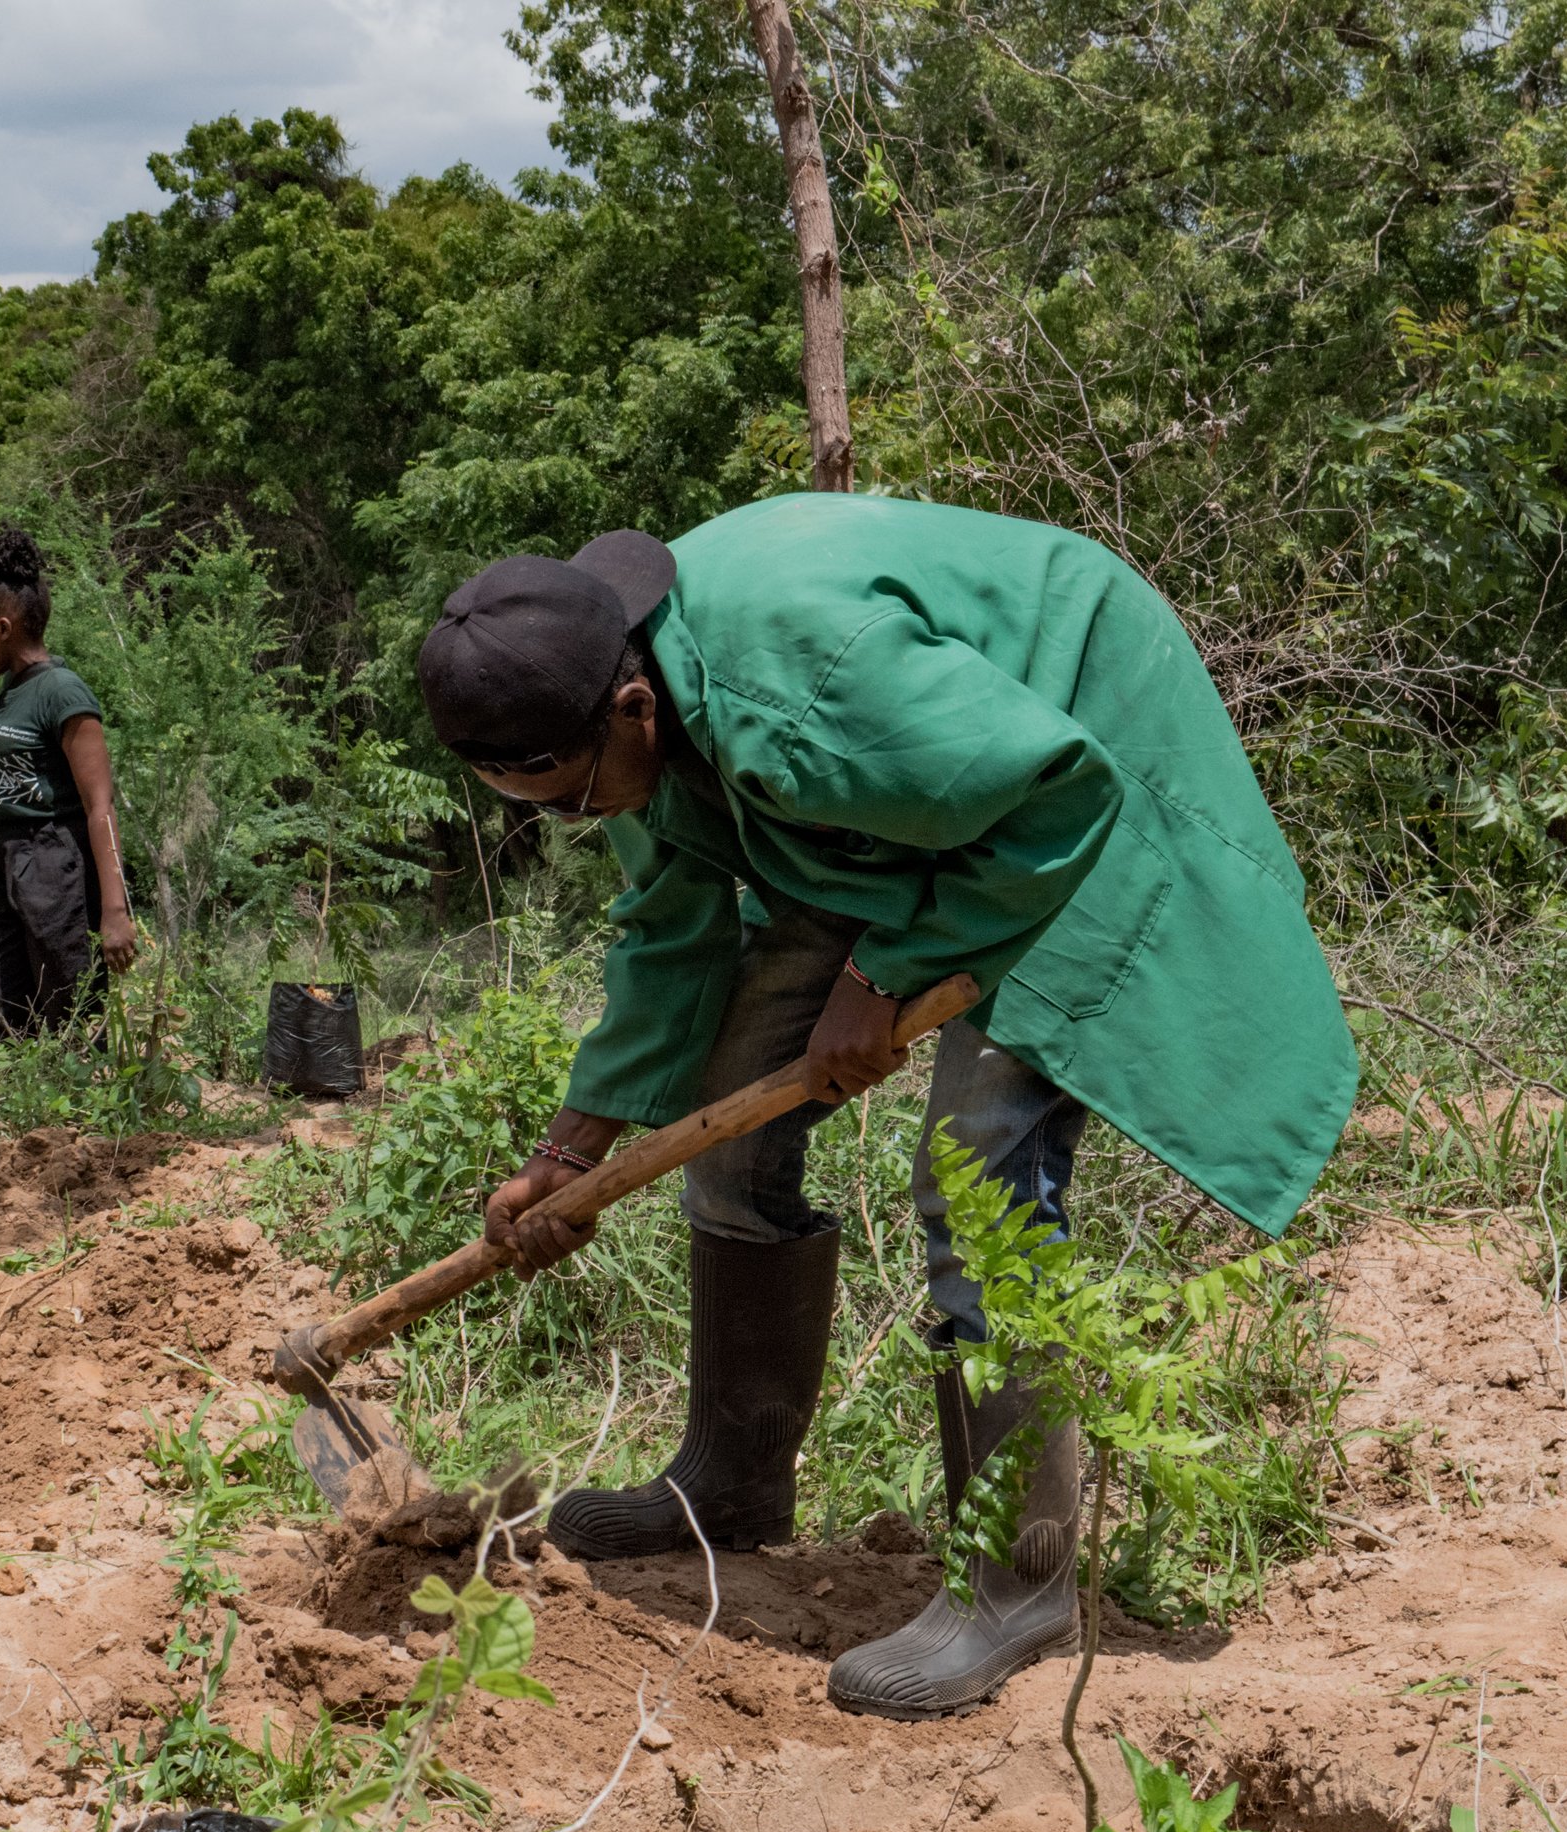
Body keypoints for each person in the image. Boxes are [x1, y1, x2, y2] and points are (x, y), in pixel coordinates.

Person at [414, 493, 1357, 1720]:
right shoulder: (620, 686)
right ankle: (733, 1478)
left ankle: (1016, 1583)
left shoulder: (799, 701)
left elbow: (1057, 795)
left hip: (1062, 755)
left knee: (973, 1170)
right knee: (729, 1101)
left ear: (632, 707)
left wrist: (879, 975)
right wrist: (568, 1150)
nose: (574, 823)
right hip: (904, 793)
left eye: (571, 797)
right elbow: (667, 937)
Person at [0, 527, 140, 1037]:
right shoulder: (14, 687)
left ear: (4, 628)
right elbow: (32, 770)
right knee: (5, 1010)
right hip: (5, 858)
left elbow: (99, 806)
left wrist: (115, 912)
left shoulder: (64, 693)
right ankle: (14, 1112)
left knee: (67, 1009)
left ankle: (78, 1111)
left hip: (54, 864)